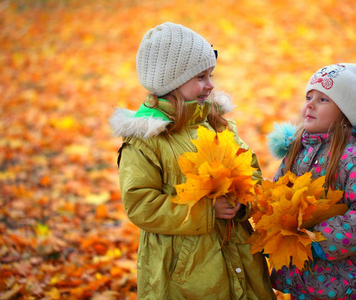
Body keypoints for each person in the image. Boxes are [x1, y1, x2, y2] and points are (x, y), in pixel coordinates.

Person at [109, 22, 275, 300]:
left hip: (238, 250)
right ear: (171, 81)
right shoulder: (147, 139)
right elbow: (140, 204)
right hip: (184, 267)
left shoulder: (216, 124)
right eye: (200, 77)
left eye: (211, 75)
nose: (210, 85)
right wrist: (207, 212)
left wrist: (244, 200)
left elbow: (251, 171)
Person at [267, 63, 356, 299]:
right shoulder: (298, 148)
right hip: (304, 273)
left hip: (347, 277)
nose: (310, 104)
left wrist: (320, 240)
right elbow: (278, 194)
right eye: (309, 96)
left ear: (346, 111)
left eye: (323, 100)